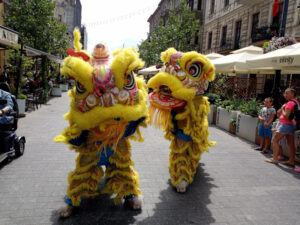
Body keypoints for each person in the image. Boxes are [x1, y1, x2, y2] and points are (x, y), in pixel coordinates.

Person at [265, 88, 298, 167]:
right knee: (291, 144)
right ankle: (291, 161)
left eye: (287, 93)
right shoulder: (296, 102)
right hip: (292, 124)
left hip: (286, 124)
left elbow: (286, 116)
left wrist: (283, 108)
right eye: (285, 93)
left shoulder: (290, 103)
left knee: (275, 140)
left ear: (292, 94)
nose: (285, 95)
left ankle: (274, 159)